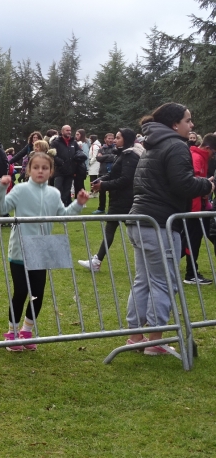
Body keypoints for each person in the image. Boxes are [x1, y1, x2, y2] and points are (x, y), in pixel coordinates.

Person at [127, 103, 213, 355]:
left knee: (143, 281)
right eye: (188, 120)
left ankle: (135, 337)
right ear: (175, 124)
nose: (192, 125)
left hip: (140, 221)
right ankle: (155, 340)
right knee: (164, 282)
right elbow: (182, 184)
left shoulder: (153, 144)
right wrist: (206, 185)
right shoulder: (176, 145)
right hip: (159, 224)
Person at [0, 152, 89, 351]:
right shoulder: (20, 190)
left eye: (45, 168)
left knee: (37, 294)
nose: (40, 171)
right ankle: (11, 334)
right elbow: (0, 207)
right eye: (36, 167)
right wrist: (1, 188)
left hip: (42, 249)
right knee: (20, 292)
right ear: (29, 170)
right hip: (19, 250)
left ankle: (26, 333)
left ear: (51, 171)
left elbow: (63, 215)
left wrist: (78, 204)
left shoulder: (54, 193)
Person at [79, 128, 143, 272]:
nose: (115, 140)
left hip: (125, 200)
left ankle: (97, 261)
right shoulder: (122, 154)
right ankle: (97, 261)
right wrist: (100, 180)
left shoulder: (130, 156)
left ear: (126, 139)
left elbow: (126, 180)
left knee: (135, 233)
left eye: (118, 137)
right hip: (118, 199)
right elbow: (113, 174)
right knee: (122, 230)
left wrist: (103, 185)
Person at [182, 133, 216, 284]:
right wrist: (205, 188)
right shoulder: (196, 158)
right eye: (213, 152)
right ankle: (190, 274)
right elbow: (191, 183)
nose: (213, 156)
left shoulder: (201, 156)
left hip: (200, 208)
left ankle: (190, 271)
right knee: (191, 241)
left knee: (191, 239)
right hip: (194, 209)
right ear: (208, 148)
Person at [50, 125, 81, 206]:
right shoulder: (56, 142)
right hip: (59, 171)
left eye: (70, 130)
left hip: (70, 171)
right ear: (62, 131)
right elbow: (52, 154)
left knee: (67, 191)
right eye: (67, 130)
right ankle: (55, 207)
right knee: (57, 190)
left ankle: (64, 208)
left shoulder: (73, 142)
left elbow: (79, 152)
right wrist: (61, 162)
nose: (69, 132)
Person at [94, 133, 116, 214]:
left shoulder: (116, 148)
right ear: (105, 139)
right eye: (109, 138)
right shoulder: (101, 148)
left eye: (112, 138)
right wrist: (108, 157)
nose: (111, 140)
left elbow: (115, 157)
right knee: (101, 192)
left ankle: (111, 209)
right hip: (102, 172)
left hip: (112, 172)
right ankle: (101, 208)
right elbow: (98, 158)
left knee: (112, 192)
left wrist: (104, 157)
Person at [74, 128, 90, 194]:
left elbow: (85, 156)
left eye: (78, 134)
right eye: (76, 134)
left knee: (79, 185)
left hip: (81, 167)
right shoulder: (76, 143)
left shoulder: (84, 144)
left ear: (82, 135)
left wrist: (86, 168)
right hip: (77, 166)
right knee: (77, 185)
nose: (76, 136)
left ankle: (81, 200)